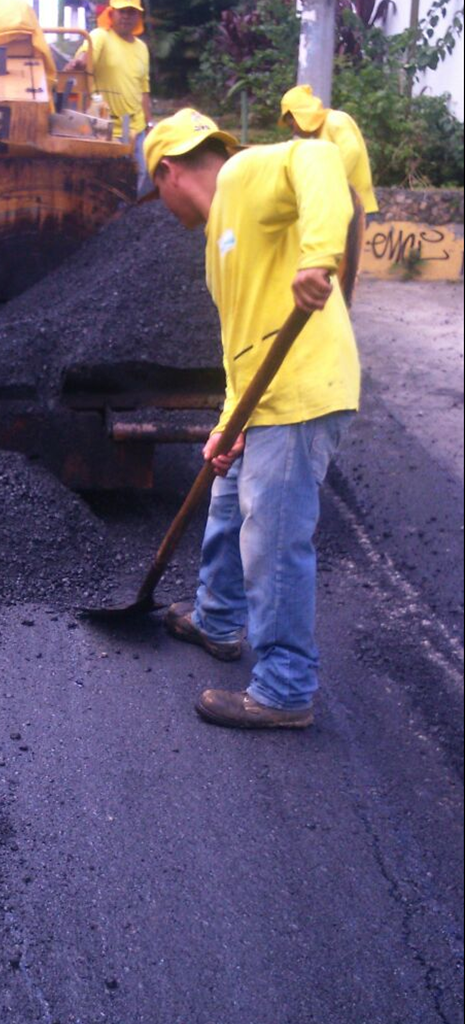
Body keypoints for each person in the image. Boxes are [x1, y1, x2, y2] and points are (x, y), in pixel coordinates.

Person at [144, 106, 359, 730]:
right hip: (261, 400)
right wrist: (227, 422)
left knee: (274, 540)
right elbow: (243, 339)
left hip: (301, 396)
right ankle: (216, 618)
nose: (162, 207)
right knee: (227, 502)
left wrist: (318, 257)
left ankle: (286, 689)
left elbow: (318, 156)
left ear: (167, 172)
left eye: (156, 192)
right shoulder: (219, 239)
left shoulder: (244, 175)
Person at [63, 0, 151, 193]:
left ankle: (127, 220)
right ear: (112, 13)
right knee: (106, 180)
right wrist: (79, 63)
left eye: (132, 12)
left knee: (139, 174)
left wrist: (148, 125)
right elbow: (86, 57)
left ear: (138, 16)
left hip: (135, 128)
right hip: (105, 127)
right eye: (122, 11)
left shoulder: (142, 48)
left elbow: (144, 90)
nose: (127, 17)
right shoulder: (100, 36)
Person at [280, 84, 378, 214]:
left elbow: (352, 150)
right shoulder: (321, 135)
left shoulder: (335, 120)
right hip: (344, 206)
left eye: (291, 124)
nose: (294, 130)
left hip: (357, 207)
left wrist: (328, 182)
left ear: (300, 115)